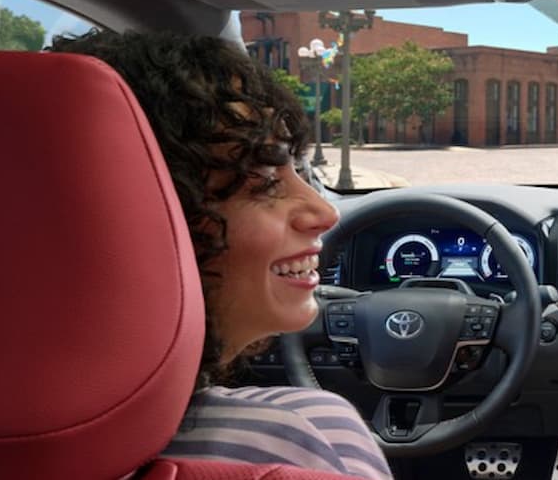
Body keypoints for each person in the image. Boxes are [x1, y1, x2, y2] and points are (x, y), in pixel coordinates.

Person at [50, 31, 392, 479]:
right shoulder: (300, 437)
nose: (325, 212)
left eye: (302, 170)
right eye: (266, 180)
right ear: (139, 212)